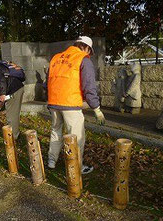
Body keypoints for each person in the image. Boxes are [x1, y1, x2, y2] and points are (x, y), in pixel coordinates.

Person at [47, 36, 105, 174]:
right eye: (89, 52)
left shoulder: (56, 58)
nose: (89, 55)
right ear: (86, 47)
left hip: (53, 102)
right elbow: (89, 87)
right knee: (76, 137)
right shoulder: (82, 59)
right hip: (70, 104)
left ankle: (51, 161)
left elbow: (46, 82)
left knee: (56, 132)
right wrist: (96, 109)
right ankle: (76, 167)